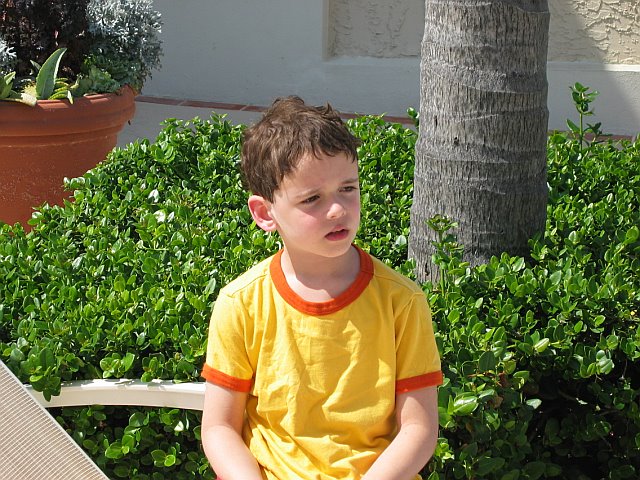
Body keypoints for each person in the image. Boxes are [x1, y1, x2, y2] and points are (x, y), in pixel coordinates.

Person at [200, 96, 442, 480]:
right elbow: (219, 427)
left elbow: (419, 428)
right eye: (312, 198)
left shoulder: (402, 302)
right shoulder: (241, 304)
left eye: (348, 188)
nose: (337, 209)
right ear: (265, 213)